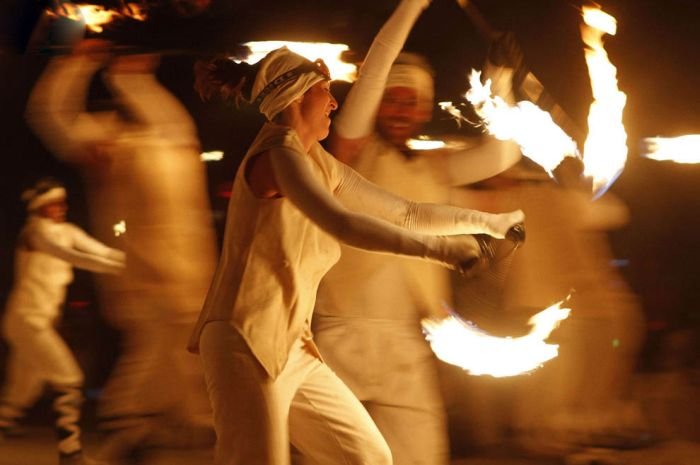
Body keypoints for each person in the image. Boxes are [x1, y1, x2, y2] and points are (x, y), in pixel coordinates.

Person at [188, 4, 523, 465]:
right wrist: (443, 253)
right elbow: (341, 223)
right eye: (326, 91)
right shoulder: (278, 152)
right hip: (245, 339)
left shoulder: (320, 163)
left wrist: (490, 224)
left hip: (294, 344)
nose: (334, 101)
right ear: (296, 96)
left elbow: (406, 213)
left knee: (369, 457)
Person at [311, 2, 523, 464]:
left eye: (413, 101)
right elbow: (374, 75)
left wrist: (500, 76)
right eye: (393, 97)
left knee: (423, 456)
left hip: (408, 342)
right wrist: (412, 5)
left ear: (426, 108)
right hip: (340, 334)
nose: (403, 108)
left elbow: (501, 155)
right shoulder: (351, 155)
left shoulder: (433, 169)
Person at [25, 42, 218, 461]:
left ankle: (143, 433)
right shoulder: (113, 151)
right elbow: (49, 116)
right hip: (146, 291)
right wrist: (75, 65)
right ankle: (130, 430)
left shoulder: (171, 140)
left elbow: (167, 116)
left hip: (193, 285)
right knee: (154, 375)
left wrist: (130, 76)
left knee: (186, 375)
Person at [0, 178, 125, 465]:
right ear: (38, 208)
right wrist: (122, 269)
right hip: (26, 321)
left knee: (20, 394)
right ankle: (70, 454)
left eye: (61, 203)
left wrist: (132, 261)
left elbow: (100, 251)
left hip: (36, 324)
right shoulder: (34, 233)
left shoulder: (67, 231)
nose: (59, 208)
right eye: (52, 204)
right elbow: (69, 256)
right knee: (69, 379)